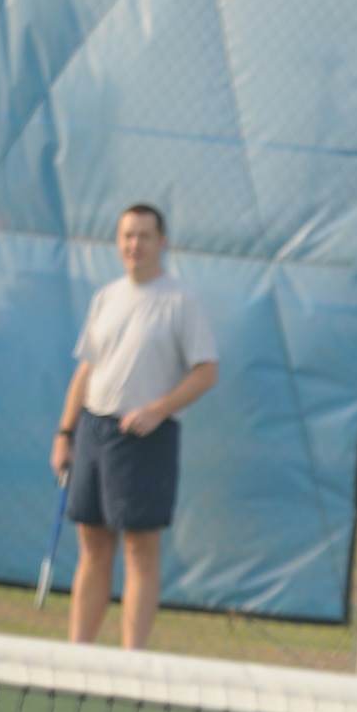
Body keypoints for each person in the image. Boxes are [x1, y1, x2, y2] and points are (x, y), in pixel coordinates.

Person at [49, 204, 218, 650]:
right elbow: (87, 370)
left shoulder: (182, 300)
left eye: (144, 236)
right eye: (127, 236)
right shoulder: (106, 297)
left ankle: (132, 661)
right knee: (92, 544)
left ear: (161, 242)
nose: (134, 245)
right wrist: (65, 434)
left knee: (140, 550)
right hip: (93, 434)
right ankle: (78, 652)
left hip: (146, 440)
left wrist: (157, 409)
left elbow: (206, 371)